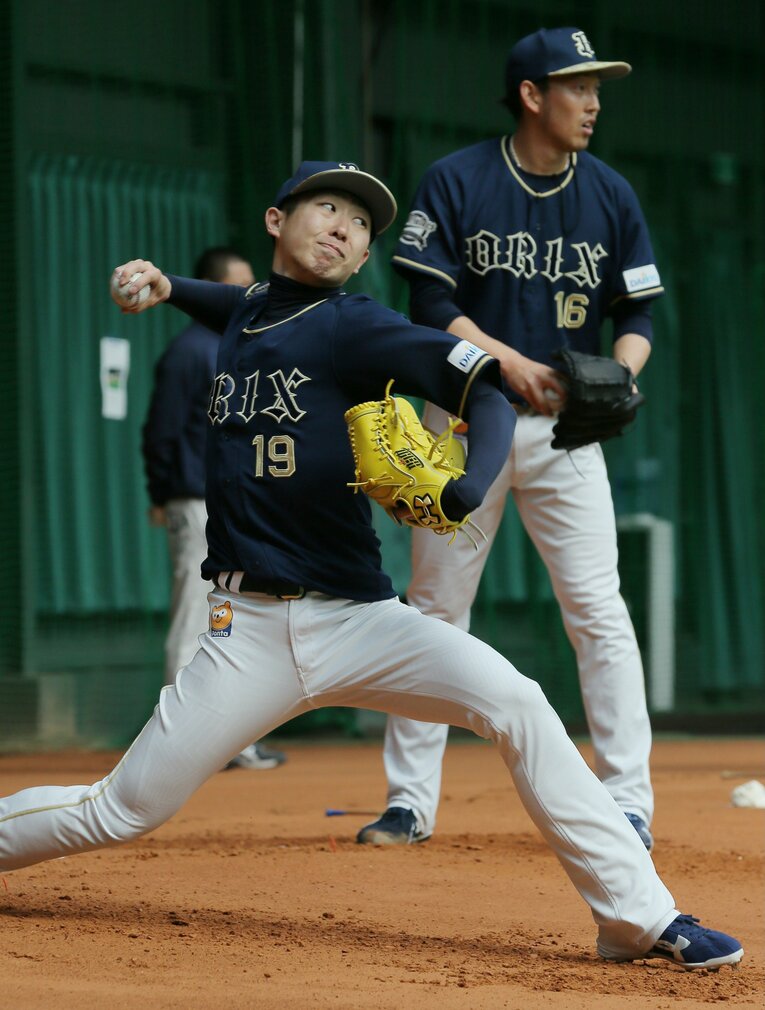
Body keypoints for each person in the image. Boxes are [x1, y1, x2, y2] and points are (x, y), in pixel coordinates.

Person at [0, 161, 743, 971]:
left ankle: (637, 918)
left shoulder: (356, 324)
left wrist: (465, 484)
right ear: (275, 220)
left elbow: (488, 390)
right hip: (245, 632)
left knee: (518, 704)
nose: (343, 227)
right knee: (122, 810)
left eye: (359, 226)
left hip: (360, 621)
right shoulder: (248, 314)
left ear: (361, 261)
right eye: (325, 208)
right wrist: (168, 284)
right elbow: (239, 303)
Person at [358, 26, 661, 851]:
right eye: (577, 86)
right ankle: (408, 801)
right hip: (460, 421)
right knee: (434, 610)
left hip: (567, 433)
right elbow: (427, 306)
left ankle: (626, 801)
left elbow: (635, 313)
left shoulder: (609, 193)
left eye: (597, 88)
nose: (593, 102)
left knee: (597, 610)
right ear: (531, 95)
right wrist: (510, 362)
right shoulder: (456, 181)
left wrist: (623, 371)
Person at [142, 246, 286, 771]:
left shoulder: (240, 350)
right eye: (238, 284)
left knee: (230, 621)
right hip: (195, 499)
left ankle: (229, 741)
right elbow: (159, 431)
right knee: (192, 618)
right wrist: (161, 493)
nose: (250, 294)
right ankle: (179, 742)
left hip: (234, 504)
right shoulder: (190, 350)